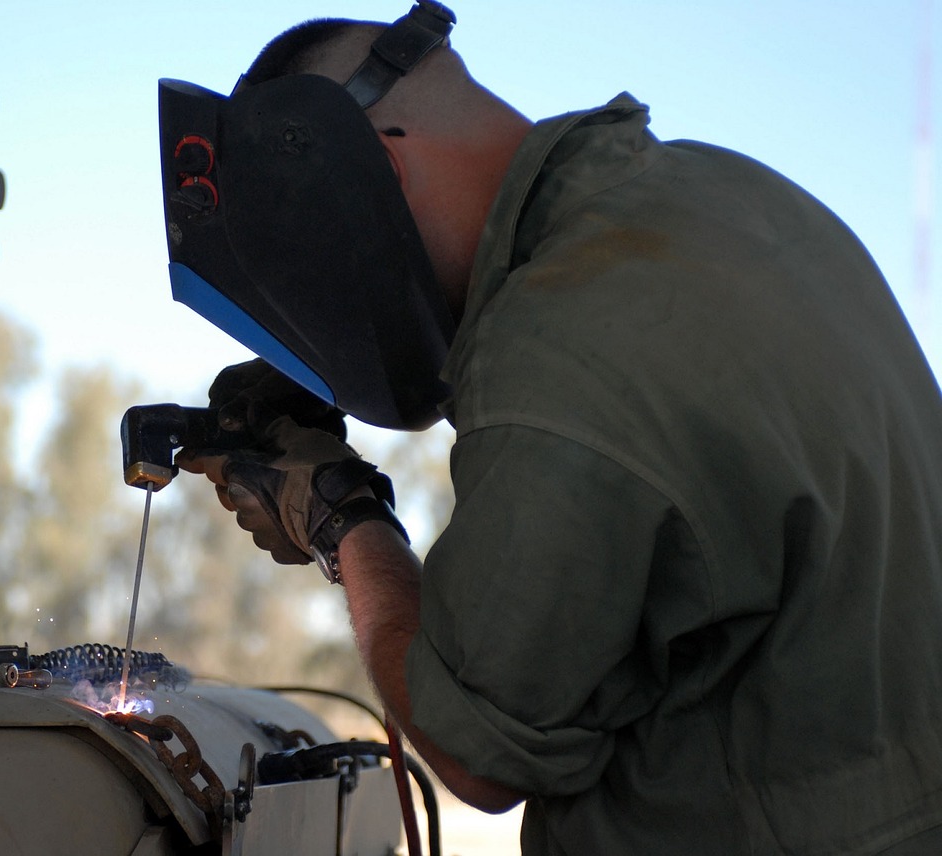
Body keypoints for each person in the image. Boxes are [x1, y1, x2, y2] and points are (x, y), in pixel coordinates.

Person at [158, 3, 942, 853]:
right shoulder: (723, 194)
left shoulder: (556, 342)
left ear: (372, 172)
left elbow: (479, 755)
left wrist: (340, 515)